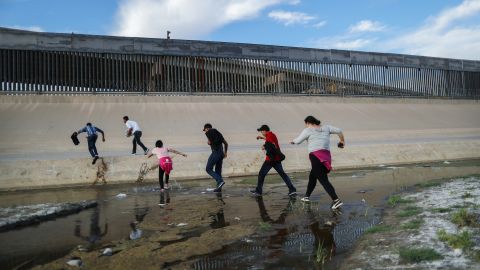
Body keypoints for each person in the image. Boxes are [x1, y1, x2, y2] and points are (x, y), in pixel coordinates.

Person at [291, 116, 345, 210]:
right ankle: (306, 196)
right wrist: (342, 140)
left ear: (308, 123)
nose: (306, 126)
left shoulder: (308, 130)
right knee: (312, 176)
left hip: (316, 157)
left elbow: (298, 141)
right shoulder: (327, 127)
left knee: (323, 179)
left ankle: (336, 200)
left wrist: (293, 141)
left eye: (306, 124)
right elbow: (339, 130)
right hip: (326, 156)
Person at [250, 125, 297, 197]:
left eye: (261, 131)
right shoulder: (271, 134)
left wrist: (264, 146)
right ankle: (292, 189)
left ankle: (258, 191)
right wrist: (262, 138)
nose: (261, 133)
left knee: (261, 174)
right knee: (282, 174)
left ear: (264, 130)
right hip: (277, 159)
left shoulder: (269, 135)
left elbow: (270, 143)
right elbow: (271, 141)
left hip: (270, 160)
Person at [203, 123, 228, 192]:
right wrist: (225, 153)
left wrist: (209, 142)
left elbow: (210, 142)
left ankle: (220, 181)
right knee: (218, 171)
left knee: (208, 169)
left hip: (215, 153)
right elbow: (226, 143)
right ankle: (219, 188)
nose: (205, 132)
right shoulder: (219, 135)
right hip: (221, 154)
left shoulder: (209, 132)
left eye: (205, 130)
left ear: (207, 129)